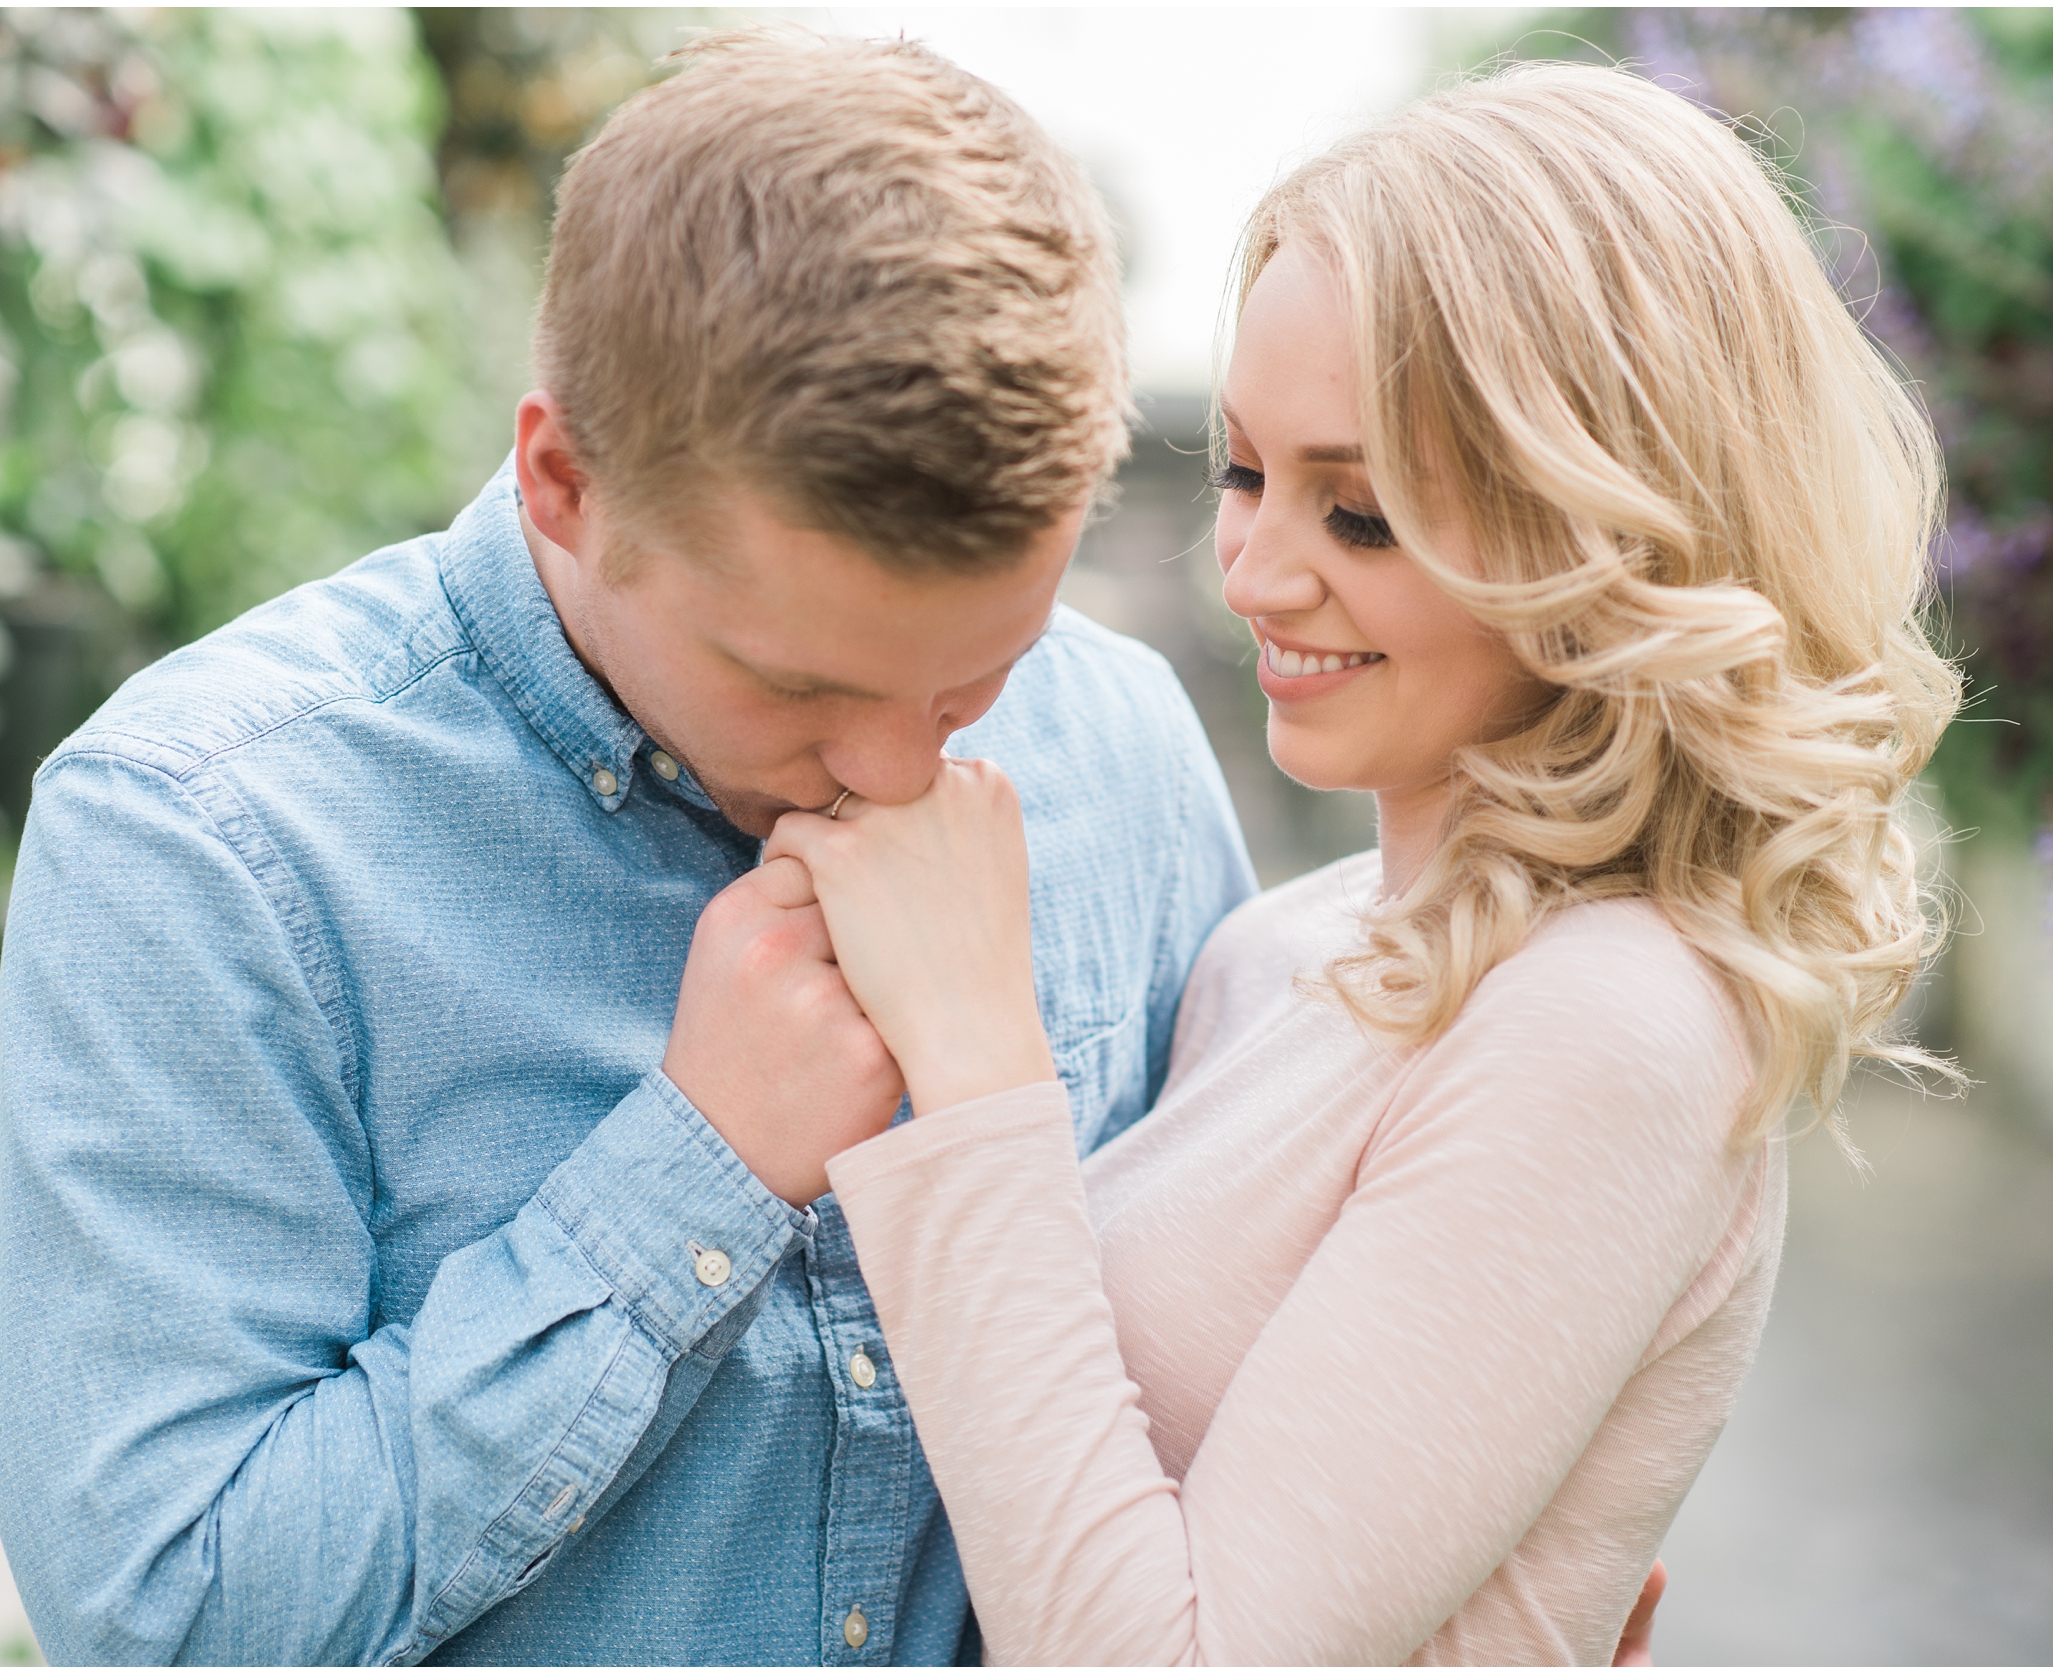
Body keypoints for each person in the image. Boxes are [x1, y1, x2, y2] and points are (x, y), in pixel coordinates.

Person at [0, 28, 1253, 1666]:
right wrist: (695, 1168)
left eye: (974, 674)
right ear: (565, 481)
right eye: (797, 682)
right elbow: (174, 1612)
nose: (893, 766)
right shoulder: (206, 842)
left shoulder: (1121, 744)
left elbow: (1247, 1406)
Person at [773, 62, 1958, 1665]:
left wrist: (974, 1057)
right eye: (1249, 473)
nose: (1254, 570)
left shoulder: (1613, 1022)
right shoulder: (1287, 946)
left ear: (1607, 537)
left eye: (1367, 515)